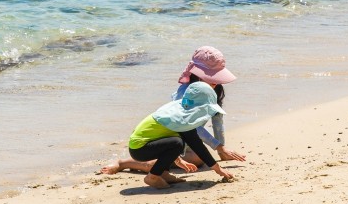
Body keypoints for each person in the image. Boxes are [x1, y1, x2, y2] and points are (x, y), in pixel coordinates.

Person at [100, 46, 246, 175]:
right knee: (195, 159)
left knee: (198, 157)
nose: (216, 81)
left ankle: (164, 162)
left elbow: (217, 118)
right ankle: (124, 163)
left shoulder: (215, 88)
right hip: (173, 138)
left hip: (188, 138)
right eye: (212, 76)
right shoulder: (185, 93)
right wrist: (218, 146)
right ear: (197, 74)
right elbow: (188, 127)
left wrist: (222, 149)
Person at [125, 81, 234, 189]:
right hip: (140, 149)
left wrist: (178, 160)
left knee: (177, 142)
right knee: (178, 143)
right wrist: (218, 169)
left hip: (143, 144)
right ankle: (153, 176)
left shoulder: (181, 108)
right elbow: (197, 145)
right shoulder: (181, 118)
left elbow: (165, 136)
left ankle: (163, 173)